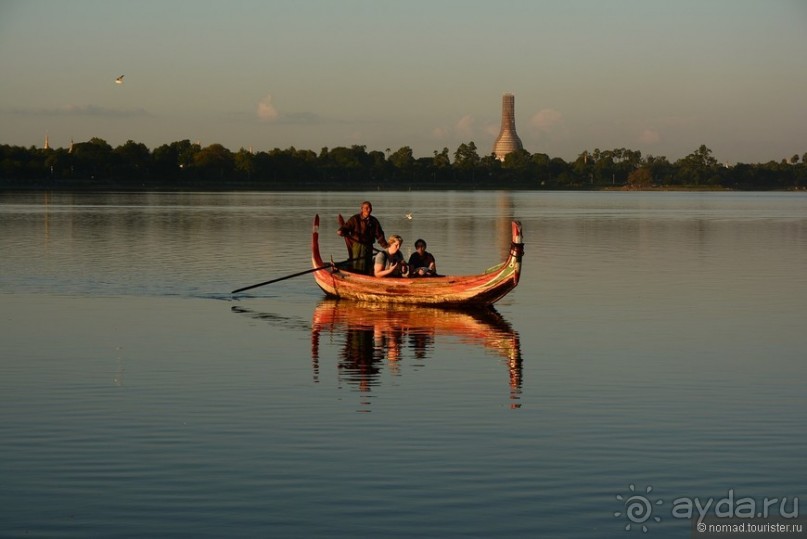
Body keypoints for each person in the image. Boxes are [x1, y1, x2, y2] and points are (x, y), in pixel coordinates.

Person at [337, 201, 388, 274]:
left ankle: (366, 277)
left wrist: (386, 246)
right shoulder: (355, 219)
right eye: (366, 208)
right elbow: (346, 227)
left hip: (369, 247)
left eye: (370, 208)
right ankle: (356, 276)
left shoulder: (374, 221)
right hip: (358, 246)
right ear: (362, 209)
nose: (369, 209)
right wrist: (341, 231)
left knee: (367, 264)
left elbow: (379, 235)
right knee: (358, 264)